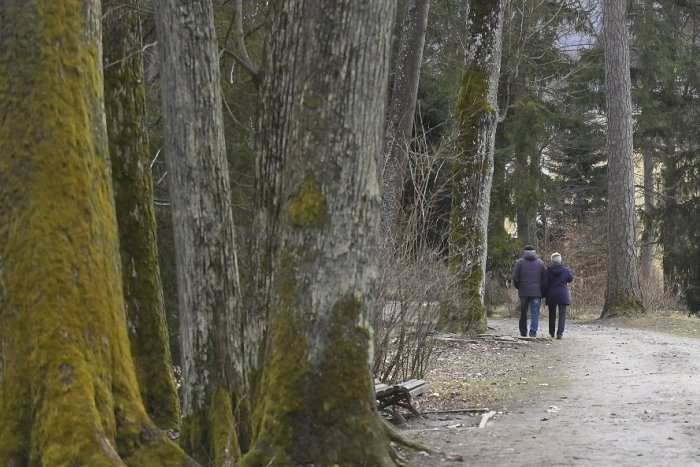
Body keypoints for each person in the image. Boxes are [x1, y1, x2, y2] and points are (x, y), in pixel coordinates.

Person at [512, 244, 547, 337]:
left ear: (525, 252)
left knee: (523, 312)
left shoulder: (519, 262)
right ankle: (533, 332)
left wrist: (518, 287)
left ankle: (523, 332)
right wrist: (543, 291)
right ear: (534, 252)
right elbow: (545, 279)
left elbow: (515, 277)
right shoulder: (540, 263)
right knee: (535, 313)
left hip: (523, 292)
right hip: (537, 292)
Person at [544, 252, 574, 340]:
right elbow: (570, 279)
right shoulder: (565, 270)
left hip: (551, 294)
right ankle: (560, 333)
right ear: (560, 260)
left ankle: (551, 332)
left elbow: (545, 283)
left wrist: (544, 293)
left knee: (552, 314)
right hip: (562, 294)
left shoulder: (547, 270)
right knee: (562, 314)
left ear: (552, 260)